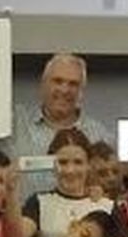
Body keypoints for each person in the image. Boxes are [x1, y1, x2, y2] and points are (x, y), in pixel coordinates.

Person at [10, 52, 115, 197]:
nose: (65, 90)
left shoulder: (100, 136)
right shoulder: (13, 123)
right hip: (19, 218)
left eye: (73, 84)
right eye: (58, 81)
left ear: (81, 91)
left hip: (79, 219)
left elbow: (111, 188)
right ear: (43, 84)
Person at [22, 127, 116, 237]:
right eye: (63, 162)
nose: (70, 170)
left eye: (78, 162)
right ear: (52, 164)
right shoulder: (38, 202)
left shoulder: (107, 205)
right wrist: (11, 189)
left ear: (89, 164)